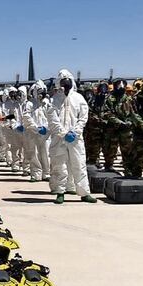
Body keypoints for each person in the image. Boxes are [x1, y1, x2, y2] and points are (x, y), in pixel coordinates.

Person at [47, 70, 95, 204]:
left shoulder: (79, 98)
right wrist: (63, 133)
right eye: (63, 82)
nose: (65, 84)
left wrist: (75, 131)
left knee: (79, 164)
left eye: (68, 81)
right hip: (59, 138)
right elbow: (52, 118)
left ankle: (84, 193)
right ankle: (60, 192)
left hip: (76, 138)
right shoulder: (55, 99)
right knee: (59, 165)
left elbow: (83, 117)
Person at [102, 78, 134, 173]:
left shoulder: (129, 99)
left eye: (122, 84)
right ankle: (109, 166)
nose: (121, 86)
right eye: (118, 84)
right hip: (112, 129)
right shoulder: (109, 98)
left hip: (126, 130)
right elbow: (106, 113)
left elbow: (134, 113)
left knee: (127, 150)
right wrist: (119, 122)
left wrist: (130, 122)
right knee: (110, 150)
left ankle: (128, 169)